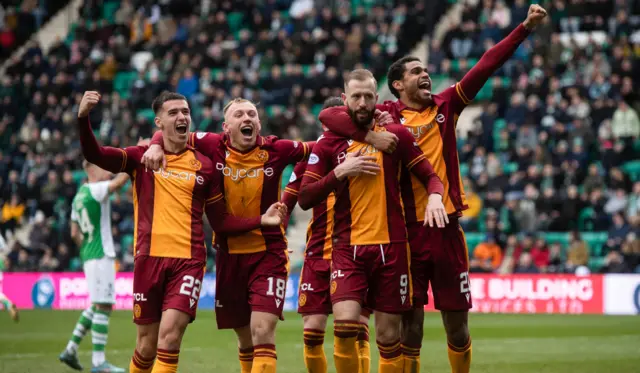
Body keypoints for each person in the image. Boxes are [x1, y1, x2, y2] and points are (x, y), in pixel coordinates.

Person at [320, 5, 549, 373]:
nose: (425, 76)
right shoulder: (386, 115)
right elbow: (329, 115)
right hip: (407, 234)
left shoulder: (447, 106)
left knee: (457, 328)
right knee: (410, 329)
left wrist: (524, 28)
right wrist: (368, 134)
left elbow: (486, 65)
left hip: (446, 231)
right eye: (416, 72)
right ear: (397, 84)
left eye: (425, 71)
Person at [75, 90, 286, 373]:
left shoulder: (205, 166)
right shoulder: (141, 158)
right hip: (148, 259)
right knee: (146, 346)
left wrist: (261, 220)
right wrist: (83, 118)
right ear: (159, 122)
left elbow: (221, 223)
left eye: (185, 112)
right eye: (173, 113)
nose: (181, 117)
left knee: (170, 336)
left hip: (188, 262)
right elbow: (95, 154)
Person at [144, 97, 333, 373]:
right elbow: (168, 129)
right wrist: (154, 144)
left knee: (262, 332)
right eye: (239, 114)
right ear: (226, 127)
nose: (247, 118)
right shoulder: (210, 144)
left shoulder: (277, 149)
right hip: (229, 256)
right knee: (245, 340)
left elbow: (321, 148)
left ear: (258, 124)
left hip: (268, 254)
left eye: (252, 114)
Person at [298, 69, 447, 373]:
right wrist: (340, 172)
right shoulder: (330, 142)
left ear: (378, 99)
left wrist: (435, 196)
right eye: (356, 97)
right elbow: (305, 197)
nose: (363, 102)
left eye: (368, 96)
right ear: (345, 100)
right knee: (345, 326)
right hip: (347, 249)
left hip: (392, 248)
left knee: (389, 336)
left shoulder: (397, 135)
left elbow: (430, 176)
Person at [283, 97, 382, 373]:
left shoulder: (366, 150)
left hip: (354, 251)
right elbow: (288, 202)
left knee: (356, 328)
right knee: (312, 332)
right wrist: (277, 232)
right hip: (318, 253)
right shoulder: (315, 155)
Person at [58, 161, 130, 372]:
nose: (107, 171)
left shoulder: (78, 195)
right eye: (102, 167)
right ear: (91, 170)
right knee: (104, 306)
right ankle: (99, 362)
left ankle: (71, 349)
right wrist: (132, 163)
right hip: (101, 254)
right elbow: (117, 184)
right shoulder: (94, 189)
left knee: (96, 304)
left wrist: (87, 247)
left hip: (88, 253)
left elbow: (73, 232)